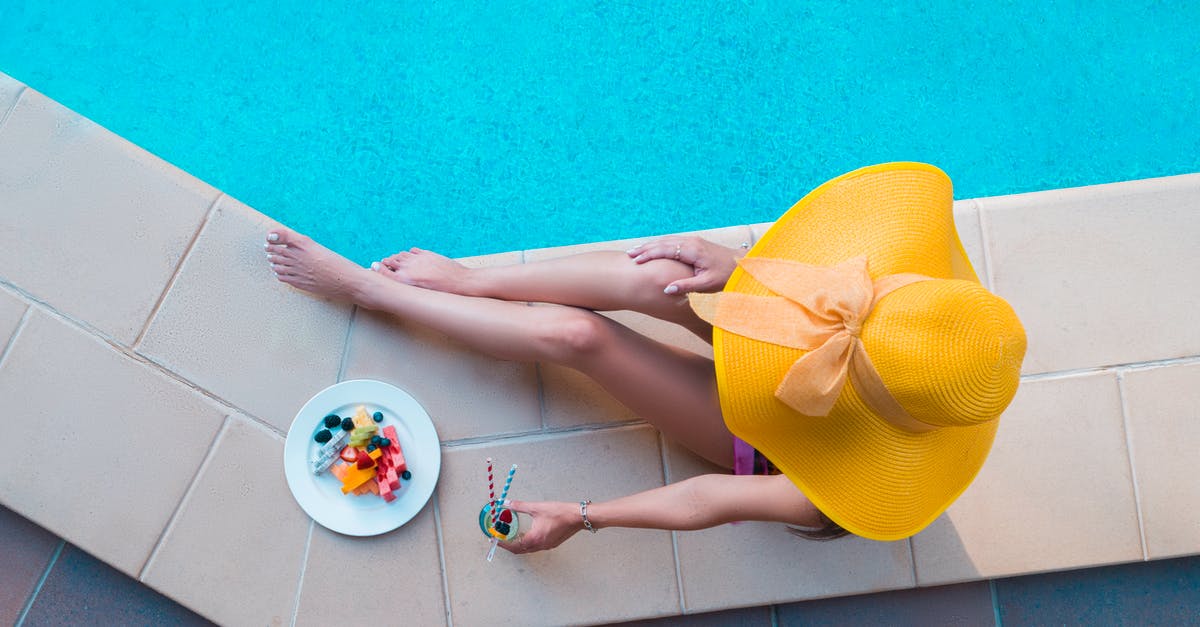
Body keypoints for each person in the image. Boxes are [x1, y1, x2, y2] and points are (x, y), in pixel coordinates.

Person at [265, 162, 1027, 553]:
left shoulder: (824, 490)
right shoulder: (897, 317)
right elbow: (788, 271)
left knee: (580, 337)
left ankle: (375, 294)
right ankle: (471, 281)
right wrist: (736, 264)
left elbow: (706, 501)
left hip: (758, 438)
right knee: (662, 279)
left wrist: (582, 515)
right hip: (787, 348)